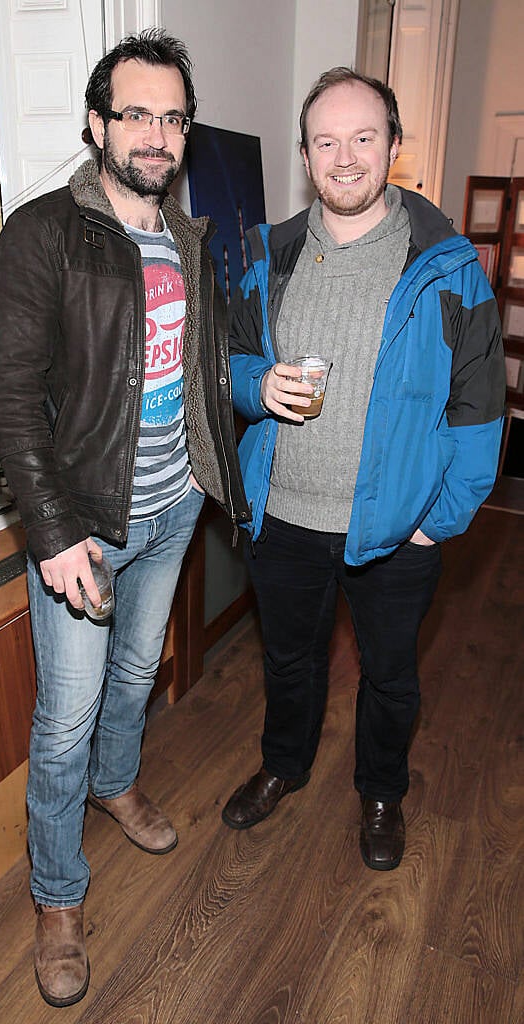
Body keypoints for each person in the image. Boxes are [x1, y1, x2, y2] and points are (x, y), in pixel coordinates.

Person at [0, 29, 249, 1008]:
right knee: (64, 720)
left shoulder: (188, 236)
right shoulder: (43, 232)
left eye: (172, 116)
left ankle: (117, 781)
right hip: (84, 526)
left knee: (136, 673)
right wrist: (49, 532)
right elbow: (6, 394)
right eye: (135, 112)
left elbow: (188, 371)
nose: (156, 133)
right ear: (96, 123)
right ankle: (57, 895)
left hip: (172, 507)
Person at [222, 69, 505, 873]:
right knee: (288, 662)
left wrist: (436, 521)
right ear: (305, 154)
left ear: (394, 146)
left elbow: (481, 410)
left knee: (390, 677)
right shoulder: (267, 254)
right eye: (326, 141)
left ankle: (382, 791)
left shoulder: (450, 269)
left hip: (396, 528)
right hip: (283, 517)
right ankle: (285, 765)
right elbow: (230, 362)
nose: (345, 158)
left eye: (364, 137)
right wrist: (256, 384)